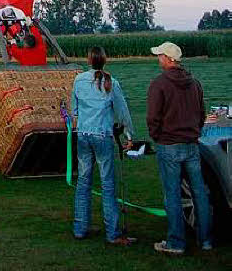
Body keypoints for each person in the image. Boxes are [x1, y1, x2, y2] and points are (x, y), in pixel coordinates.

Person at [147, 42, 212, 254]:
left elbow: (153, 117)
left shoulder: (159, 84)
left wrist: (157, 137)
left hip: (169, 145)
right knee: (199, 193)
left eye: (160, 56)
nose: (158, 59)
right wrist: (194, 132)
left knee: (172, 194)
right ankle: (206, 240)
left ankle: (176, 242)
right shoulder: (195, 83)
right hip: (192, 144)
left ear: (168, 58)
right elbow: (201, 114)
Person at [72, 46, 136, 245]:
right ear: (104, 61)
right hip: (102, 136)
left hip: (82, 135)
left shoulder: (78, 80)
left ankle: (80, 228)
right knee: (107, 185)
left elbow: (74, 111)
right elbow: (122, 111)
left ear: (89, 60)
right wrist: (129, 135)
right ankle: (113, 233)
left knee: (83, 182)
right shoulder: (111, 83)